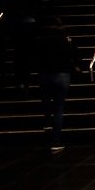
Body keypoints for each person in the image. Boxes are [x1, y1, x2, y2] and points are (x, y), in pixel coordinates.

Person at [34, 16, 80, 153]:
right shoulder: (66, 40)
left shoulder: (40, 41)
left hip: (44, 75)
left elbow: (35, 58)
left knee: (46, 100)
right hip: (62, 75)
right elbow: (74, 56)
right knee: (59, 108)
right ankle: (55, 142)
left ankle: (47, 121)